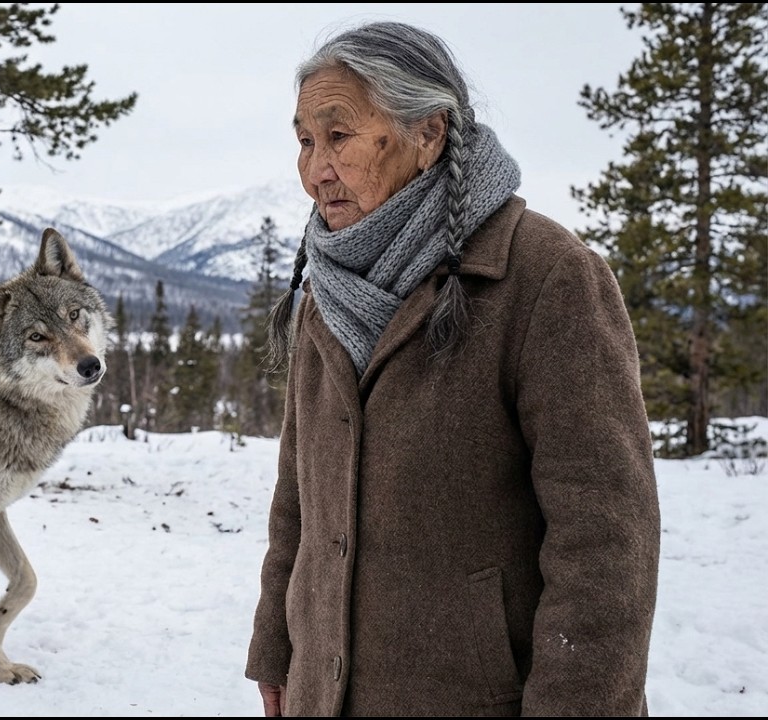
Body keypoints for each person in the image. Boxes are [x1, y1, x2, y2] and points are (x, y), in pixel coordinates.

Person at [244, 20, 661, 717]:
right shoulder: (327, 285)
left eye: (338, 136)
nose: (315, 170)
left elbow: (606, 539)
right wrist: (278, 649)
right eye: (305, 141)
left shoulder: (546, 277)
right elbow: (298, 497)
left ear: (429, 133)